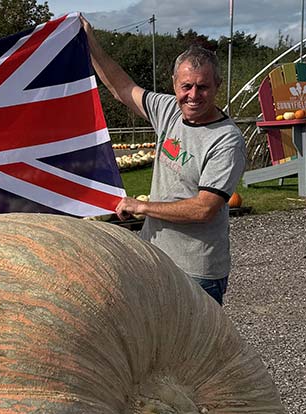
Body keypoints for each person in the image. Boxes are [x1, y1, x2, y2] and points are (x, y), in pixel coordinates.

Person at [82, 16, 246, 305]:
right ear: (174, 84)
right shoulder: (168, 109)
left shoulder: (226, 139)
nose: (193, 95)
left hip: (197, 271)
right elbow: (122, 88)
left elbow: (204, 209)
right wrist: (90, 42)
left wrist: (142, 206)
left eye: (203, 87)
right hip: (155, 258)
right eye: (186, 87)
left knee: (192, 350)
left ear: (217, 85)